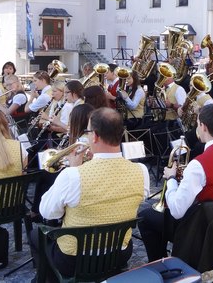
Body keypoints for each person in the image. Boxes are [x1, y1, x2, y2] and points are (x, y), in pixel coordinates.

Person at [31, 108, 149, 280]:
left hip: (75, 259)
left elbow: (48, 212)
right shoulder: (141, 170)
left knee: (36, 235)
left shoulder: (72, 175)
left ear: (94, 136)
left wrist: (74, 169)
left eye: (87, 132)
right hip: (120, 253)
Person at [138, 104, 213, 262]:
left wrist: (170, 179)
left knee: (145, 217)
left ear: (203, 126)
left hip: (200, 226)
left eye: (198, 124)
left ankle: (160, 265)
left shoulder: (198, 165)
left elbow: (177, 210)